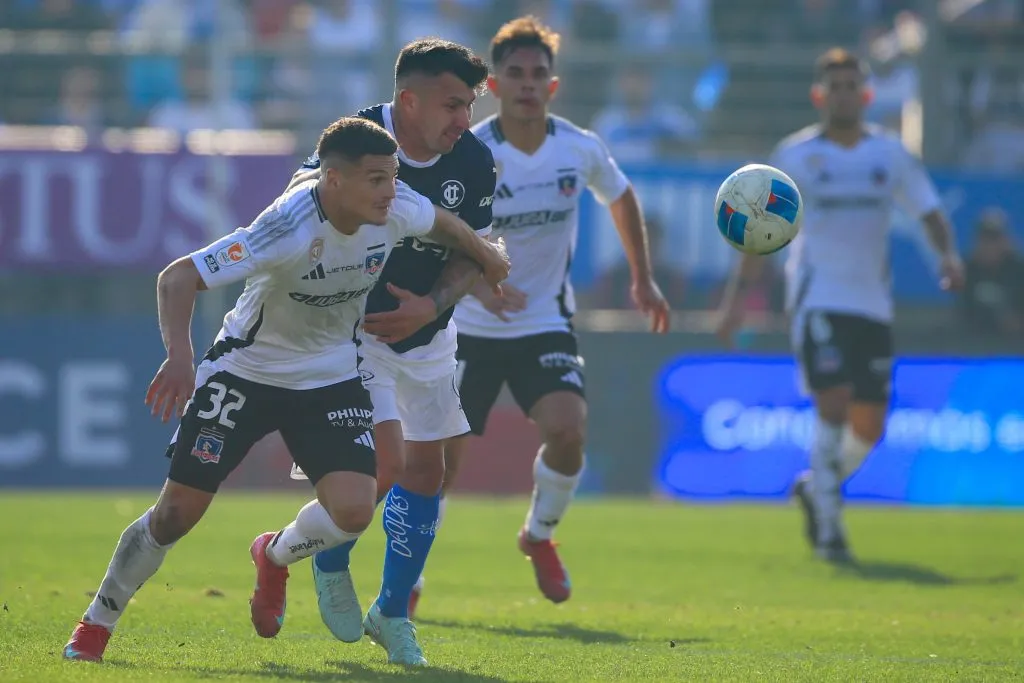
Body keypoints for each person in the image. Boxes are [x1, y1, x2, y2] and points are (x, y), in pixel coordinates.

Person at [61, 116, 508, 663]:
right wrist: (179, 356)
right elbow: (178, 276)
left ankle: (273, 555)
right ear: (333, 180)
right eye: (376, 179)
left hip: (329, 374)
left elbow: (444, 223)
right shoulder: (286, 227)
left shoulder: (396, 205)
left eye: (393, 177)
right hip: (246, 372)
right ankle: (96, 624)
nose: (390, 191)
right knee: (177, 513)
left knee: (353, 509)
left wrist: (487, 255)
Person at [415, 15, 670, 612]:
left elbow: (621, 195)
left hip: (543, 322)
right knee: (440, 464)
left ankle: (539, 535)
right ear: (494, 86)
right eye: (514, 74)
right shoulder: (470, 152)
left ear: (552, 86)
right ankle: (411, 575)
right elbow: (431, 235)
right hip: (468, 327)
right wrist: (478, 289)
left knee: (568, 431)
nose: (528, 84)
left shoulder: (578, 148)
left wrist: (642, 276)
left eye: (538, 74)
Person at [286, 39, 497, 665]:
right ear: (408, 100)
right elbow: (298, 216)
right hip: (354, 333)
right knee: (385, 465)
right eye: (453, 105)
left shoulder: (476, 162)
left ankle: (391, 611)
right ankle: (330, 562)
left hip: (428, 336)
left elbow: (474, 254)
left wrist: (428, 308)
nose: (464, 120)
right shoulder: (355, 145)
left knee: (428, 474)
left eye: (469, 106)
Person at [716, 48, 965, 563]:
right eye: (836, 86)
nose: (845, 94)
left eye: (853, 86)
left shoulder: (889, 156)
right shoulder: (793, 157)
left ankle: (814, 488)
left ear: (867, 95)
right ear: (819, 95)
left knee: (869, 428)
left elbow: (930, 210)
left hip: (872, 304)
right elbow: (758, 234)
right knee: (832, 406)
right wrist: (736, 303)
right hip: (817, 300)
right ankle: (829, 528)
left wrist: (948, 257)